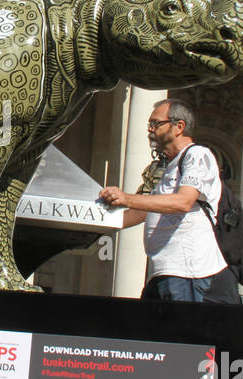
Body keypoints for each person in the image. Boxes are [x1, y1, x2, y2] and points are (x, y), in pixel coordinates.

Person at [98, 99, 234, 303]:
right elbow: (144, 212)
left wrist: (126, 198)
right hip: (164, 272)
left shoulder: (197, 154)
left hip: (189, 272)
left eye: (156, 123)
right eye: (149, 125)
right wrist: (95, 223)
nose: (150, 130)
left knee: (178, 333)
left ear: (179, 127)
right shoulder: (171, 166)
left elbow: (183, 202)